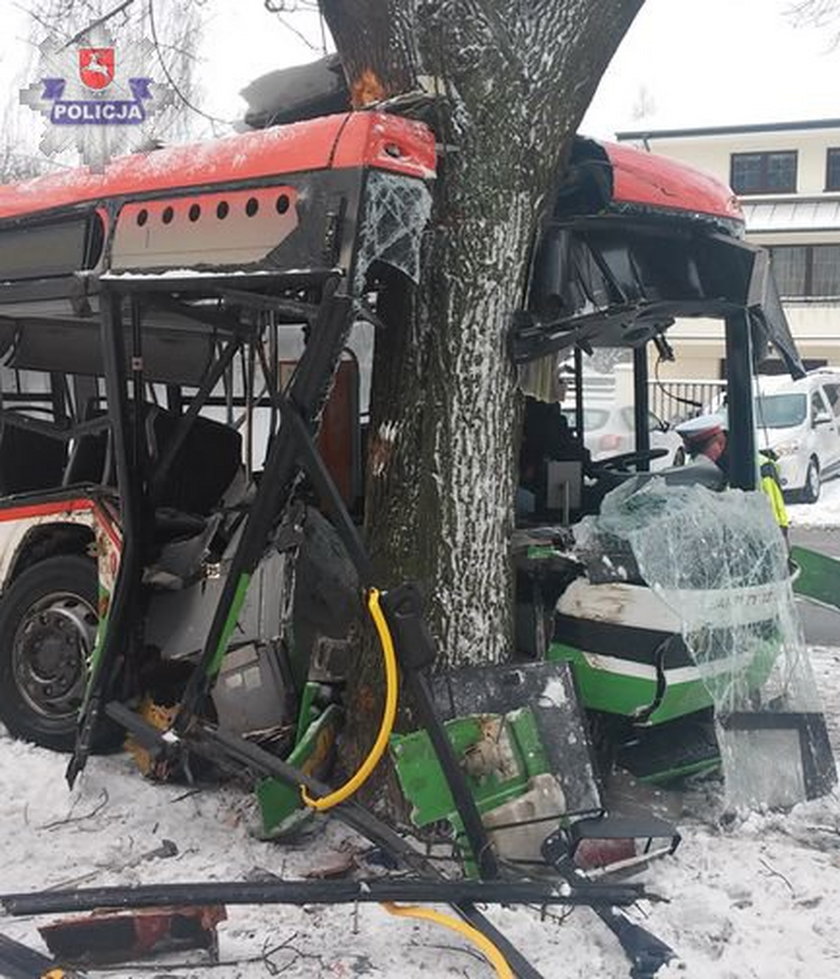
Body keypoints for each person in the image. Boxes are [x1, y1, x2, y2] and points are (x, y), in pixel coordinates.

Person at [675, 413, 790, 545]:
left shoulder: (759, 470)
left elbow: (777, 525)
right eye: (694, 454)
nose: (699, 459)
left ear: (720, 442)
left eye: (703, 452)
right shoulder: (703, 471)